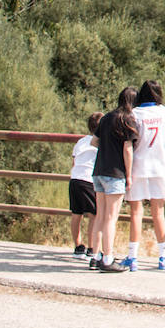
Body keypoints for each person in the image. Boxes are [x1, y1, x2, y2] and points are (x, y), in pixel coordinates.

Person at [121, 79, 165, 271]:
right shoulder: (163, 112)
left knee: (136, 212)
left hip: (138, 165)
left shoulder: (135, 114)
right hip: (158, 165)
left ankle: (132, 256)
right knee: (158, 212)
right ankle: (163, 256)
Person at [91, 86, 138, 273]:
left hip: (99, 170)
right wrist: (128, 175)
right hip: (115, 173)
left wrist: (106, 148)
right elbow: (128, 149)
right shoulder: (127, 120)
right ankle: (108, 258)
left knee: (100, 217)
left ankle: (95, 257)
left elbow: (93, 141)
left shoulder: (107, 117)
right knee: (111, 217)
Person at [68, 111, 104, 265]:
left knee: (76, 214)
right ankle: (92, 247)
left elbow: (74, 162)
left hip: (75, 179)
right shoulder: (100, 143)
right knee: (93, 215)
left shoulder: (80, 142)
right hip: (89, 180)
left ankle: (78, 246)